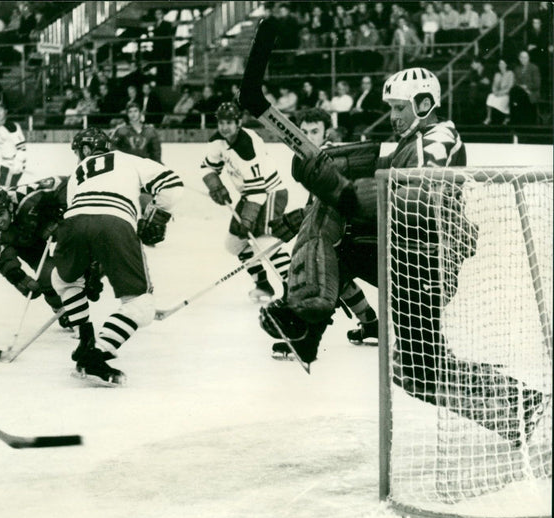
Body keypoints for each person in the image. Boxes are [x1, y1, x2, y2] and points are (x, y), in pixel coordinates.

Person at [262, 67, 472, 406]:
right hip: (404, 255)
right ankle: (304, 322)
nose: (393, 116)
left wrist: (337, 186)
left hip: (424, 265)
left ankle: (516, 405)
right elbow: (376, 165)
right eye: (391, 107)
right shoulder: (415, 140)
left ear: (424, 103)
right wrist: (329, 165)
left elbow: (415, 201)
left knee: (420, 374)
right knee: (332, 238)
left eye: (400, 107)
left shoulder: (434, 141)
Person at [52, 127, 184, 386]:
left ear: (87, 150)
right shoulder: (126, 158)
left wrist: (89, 267)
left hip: (73, 224)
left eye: (79, 151)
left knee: (63, 280)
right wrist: (159, 214)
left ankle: (85, 338)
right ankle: (98, 351)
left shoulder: (76, 174)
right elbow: (173, 185)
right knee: (141, 306)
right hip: (116, 223)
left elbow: (82, 212)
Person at [269, 107, 379, 359]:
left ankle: (302, 333)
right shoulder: (310, 157)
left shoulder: (333, 157)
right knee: (332, 275)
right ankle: (370, 323)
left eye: (314, 132)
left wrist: (301, 217)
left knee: (313, 269)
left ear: (326, 132)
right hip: (340, 229)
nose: (308, 137)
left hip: (357, 229)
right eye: (303, 132)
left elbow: (338, 201)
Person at [200, 101, 292, 303]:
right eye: (221, 122)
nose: (225, 127)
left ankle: (293, 288)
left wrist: (248, 219)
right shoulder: (217, 141)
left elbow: (258, 191)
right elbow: (207, 167)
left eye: (229, 123)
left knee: (265, 242)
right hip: (250, 193)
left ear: (238, 122)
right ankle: (262, 285)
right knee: (234, 244)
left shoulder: (247, 146)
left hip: (271, 192)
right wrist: (216, 186)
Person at [0, 177, 97, 327]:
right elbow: (3, 260)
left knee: (75, 242)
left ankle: (90, 268)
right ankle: (61, 310)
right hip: (26, 244)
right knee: (47, 277)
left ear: (10, 207)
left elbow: (63, 183)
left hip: (45, 224)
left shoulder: (24, 195)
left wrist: (63, 208)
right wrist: (20, 280)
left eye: (0, 214)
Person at [0, 103, 27, 189]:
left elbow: (22, 147)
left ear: (5, 112)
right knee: (3, 188)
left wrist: (19, 162)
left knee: (7, 190)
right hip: (4, 163)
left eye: (0, 110)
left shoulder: (12, 126)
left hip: (15, 163)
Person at [483, 58, 514, 125]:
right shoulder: (497, 74)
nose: (501, 65)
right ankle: (488, 117)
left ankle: (507, 117)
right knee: (490, 96)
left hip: (506, 94)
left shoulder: (510, 73)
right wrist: (495, 92)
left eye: (502, 63)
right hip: (497, 93)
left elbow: (510, 86)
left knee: (504, 100)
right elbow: (494, 86)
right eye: (500, 63)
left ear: (506, 65)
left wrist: (502, 93)